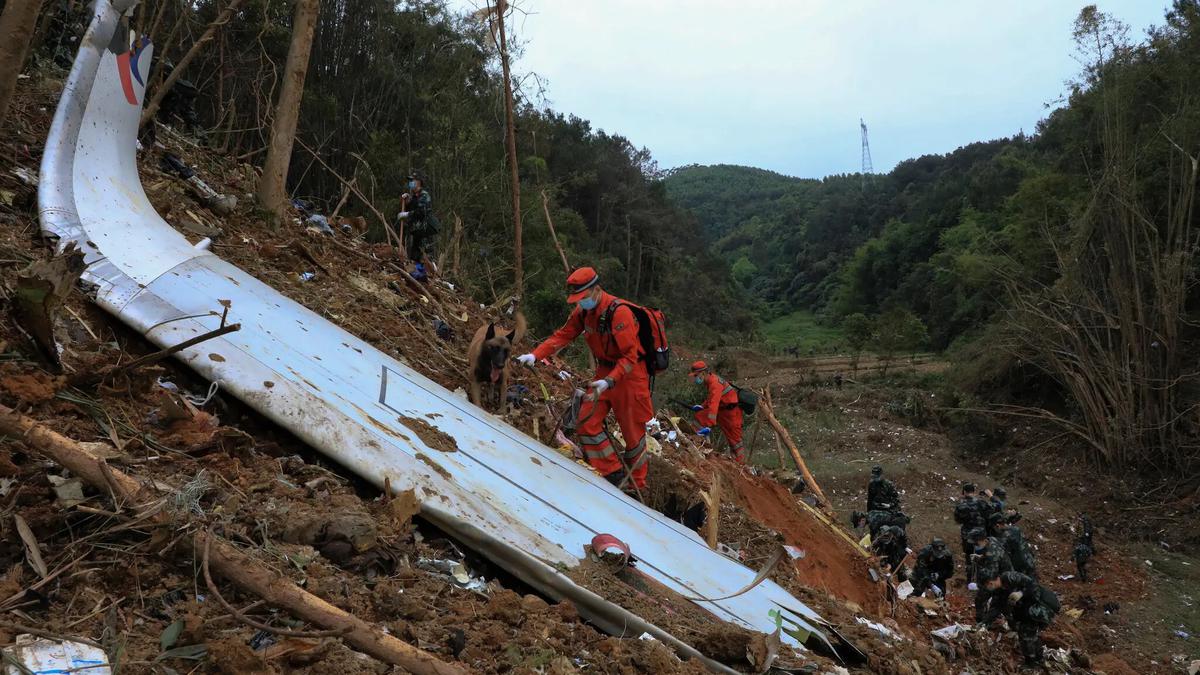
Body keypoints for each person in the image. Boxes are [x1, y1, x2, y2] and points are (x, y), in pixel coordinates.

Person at [517, 267, 654, 492]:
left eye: (583, 298)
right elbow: (563, 335)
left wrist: (610, 380)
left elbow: (630, 355)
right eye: (577, 299)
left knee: (633, 435)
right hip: (604, 373)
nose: (580, 302)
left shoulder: (620, 313)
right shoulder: (582, 312)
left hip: (629, 376)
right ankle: (613, 475)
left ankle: (636, 487)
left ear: (597, 290)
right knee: (586, 422)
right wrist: (535, 355)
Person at [990, 571, 1059, 668]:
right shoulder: (998, 591)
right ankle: (1038, 659)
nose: (990, 586)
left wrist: (1021, 593)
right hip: (1029, 608)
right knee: (1028, 631)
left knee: (1026, 630)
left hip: (1043, 605)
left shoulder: (1010, 577)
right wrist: (985, 621)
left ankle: (1031, 662)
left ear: (997, 578)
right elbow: (996, 607)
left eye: (991, 583)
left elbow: (1032, 584)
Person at [688, 361, 745, 463]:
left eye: (696, 375)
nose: (695, 378)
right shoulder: (710, 380)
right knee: (699, 418)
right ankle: (699, 443)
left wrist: (709, 423)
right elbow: (711, 399)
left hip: (731, 414)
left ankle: (740, 465)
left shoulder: (715, 383)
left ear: (703, 373)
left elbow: (714, 405)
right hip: (723, 411)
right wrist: (702, 406)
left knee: (735, 442)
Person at [396, 174, 439, 279]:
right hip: (416, 231)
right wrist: (407, 202)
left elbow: (421, 212)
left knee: (426, 255)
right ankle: (417, 276)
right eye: (410, 181)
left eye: (412, 180)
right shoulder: (414, 197)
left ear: (419, 182)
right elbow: (410, 208)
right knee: (415, 254)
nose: (410, 183)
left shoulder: (424, 195)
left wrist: (407, 214)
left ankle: (431, 276)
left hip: (425, 229)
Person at [969, 527, 1013, 624]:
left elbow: (990, 574)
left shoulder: (992, 554)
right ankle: (982, 622)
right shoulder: (991, 541)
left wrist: (978, 584)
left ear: (984, 540)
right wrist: (980, 558)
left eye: (976, 543)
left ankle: (984, 624)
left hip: (1002, 581)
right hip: (998, 577)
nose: (975, 546)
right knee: (982, 599)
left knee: (1001, 605)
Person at [954, 483, 989, 561]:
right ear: (974, 491)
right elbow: (989, 514)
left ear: (964, 492)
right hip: (981, 534)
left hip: (967, 535)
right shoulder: (982, 502)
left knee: (969, 556)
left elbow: (958, 520)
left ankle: (970, 569)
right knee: (982, 556)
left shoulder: (960, 505)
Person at [999, 513, 1037, 577]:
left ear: (998, 525)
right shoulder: (1016, 529)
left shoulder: (1006, 536)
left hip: (1021, 564)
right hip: (1028, 558)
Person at [1073, 514, 1095, 582]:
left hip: (1080, 558)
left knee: (1079, 567)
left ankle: (1083, 577)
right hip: (1085, 557)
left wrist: (1072, 558)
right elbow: (1089, 551)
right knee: (1083, 567)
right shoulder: (1085, 547)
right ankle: (1084, 576)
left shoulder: (1079, 546)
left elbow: (1075, 552)